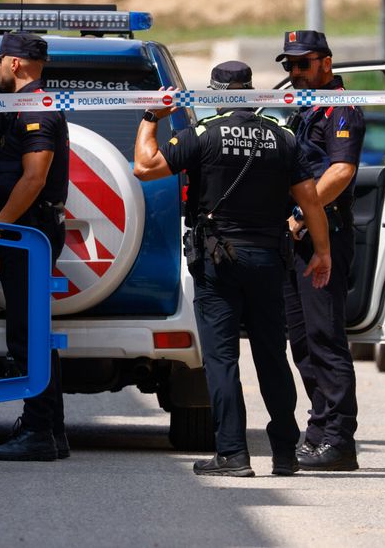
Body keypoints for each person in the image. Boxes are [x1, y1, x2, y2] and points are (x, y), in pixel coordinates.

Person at [133, 61, 331, 477]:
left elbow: (144, 167)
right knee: (272, 358)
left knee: (222, 359)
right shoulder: (283, 137)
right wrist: (322, 253)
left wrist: (152, 117)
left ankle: (233, 455)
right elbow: (311, 201)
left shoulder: (203, 135)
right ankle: (284, 454)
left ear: (216, 92)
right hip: (267, 260)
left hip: (218, 261)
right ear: (251, 89)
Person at [276, 29, 367, 472]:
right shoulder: (301, 107)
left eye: (302, 64)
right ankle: (319, 430)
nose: (294, 73)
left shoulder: (340, 108)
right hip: (296, 240)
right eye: (289, 65)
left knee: (326, 339)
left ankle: (339, 439)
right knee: (302, 341)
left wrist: (298, 216)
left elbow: (342, 171)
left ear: (326, 63)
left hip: (321, 235)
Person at [0, 31, 69, 462]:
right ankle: (51, 429)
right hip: (26, 230)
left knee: (28, 334)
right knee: (33, 329)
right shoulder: (21, 106)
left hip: (29, 231)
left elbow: (33, 178)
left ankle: (38, 432)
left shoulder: (35, 108)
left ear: (14, 64)